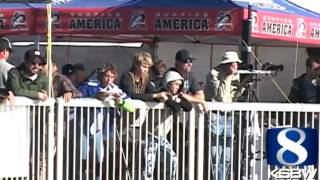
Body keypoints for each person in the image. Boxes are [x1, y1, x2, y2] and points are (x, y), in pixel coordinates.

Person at [204, 51, 243, 180]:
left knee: (227, 156)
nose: (237, 66)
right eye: (234, 63)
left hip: (229, 116)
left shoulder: (235, 75)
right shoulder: (213, 74)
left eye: (237, 63)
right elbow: (220, 96)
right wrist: (227, 77)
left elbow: (232, 97)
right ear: (227, 64)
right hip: (215, 116)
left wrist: (242, 87)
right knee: (215, 155)